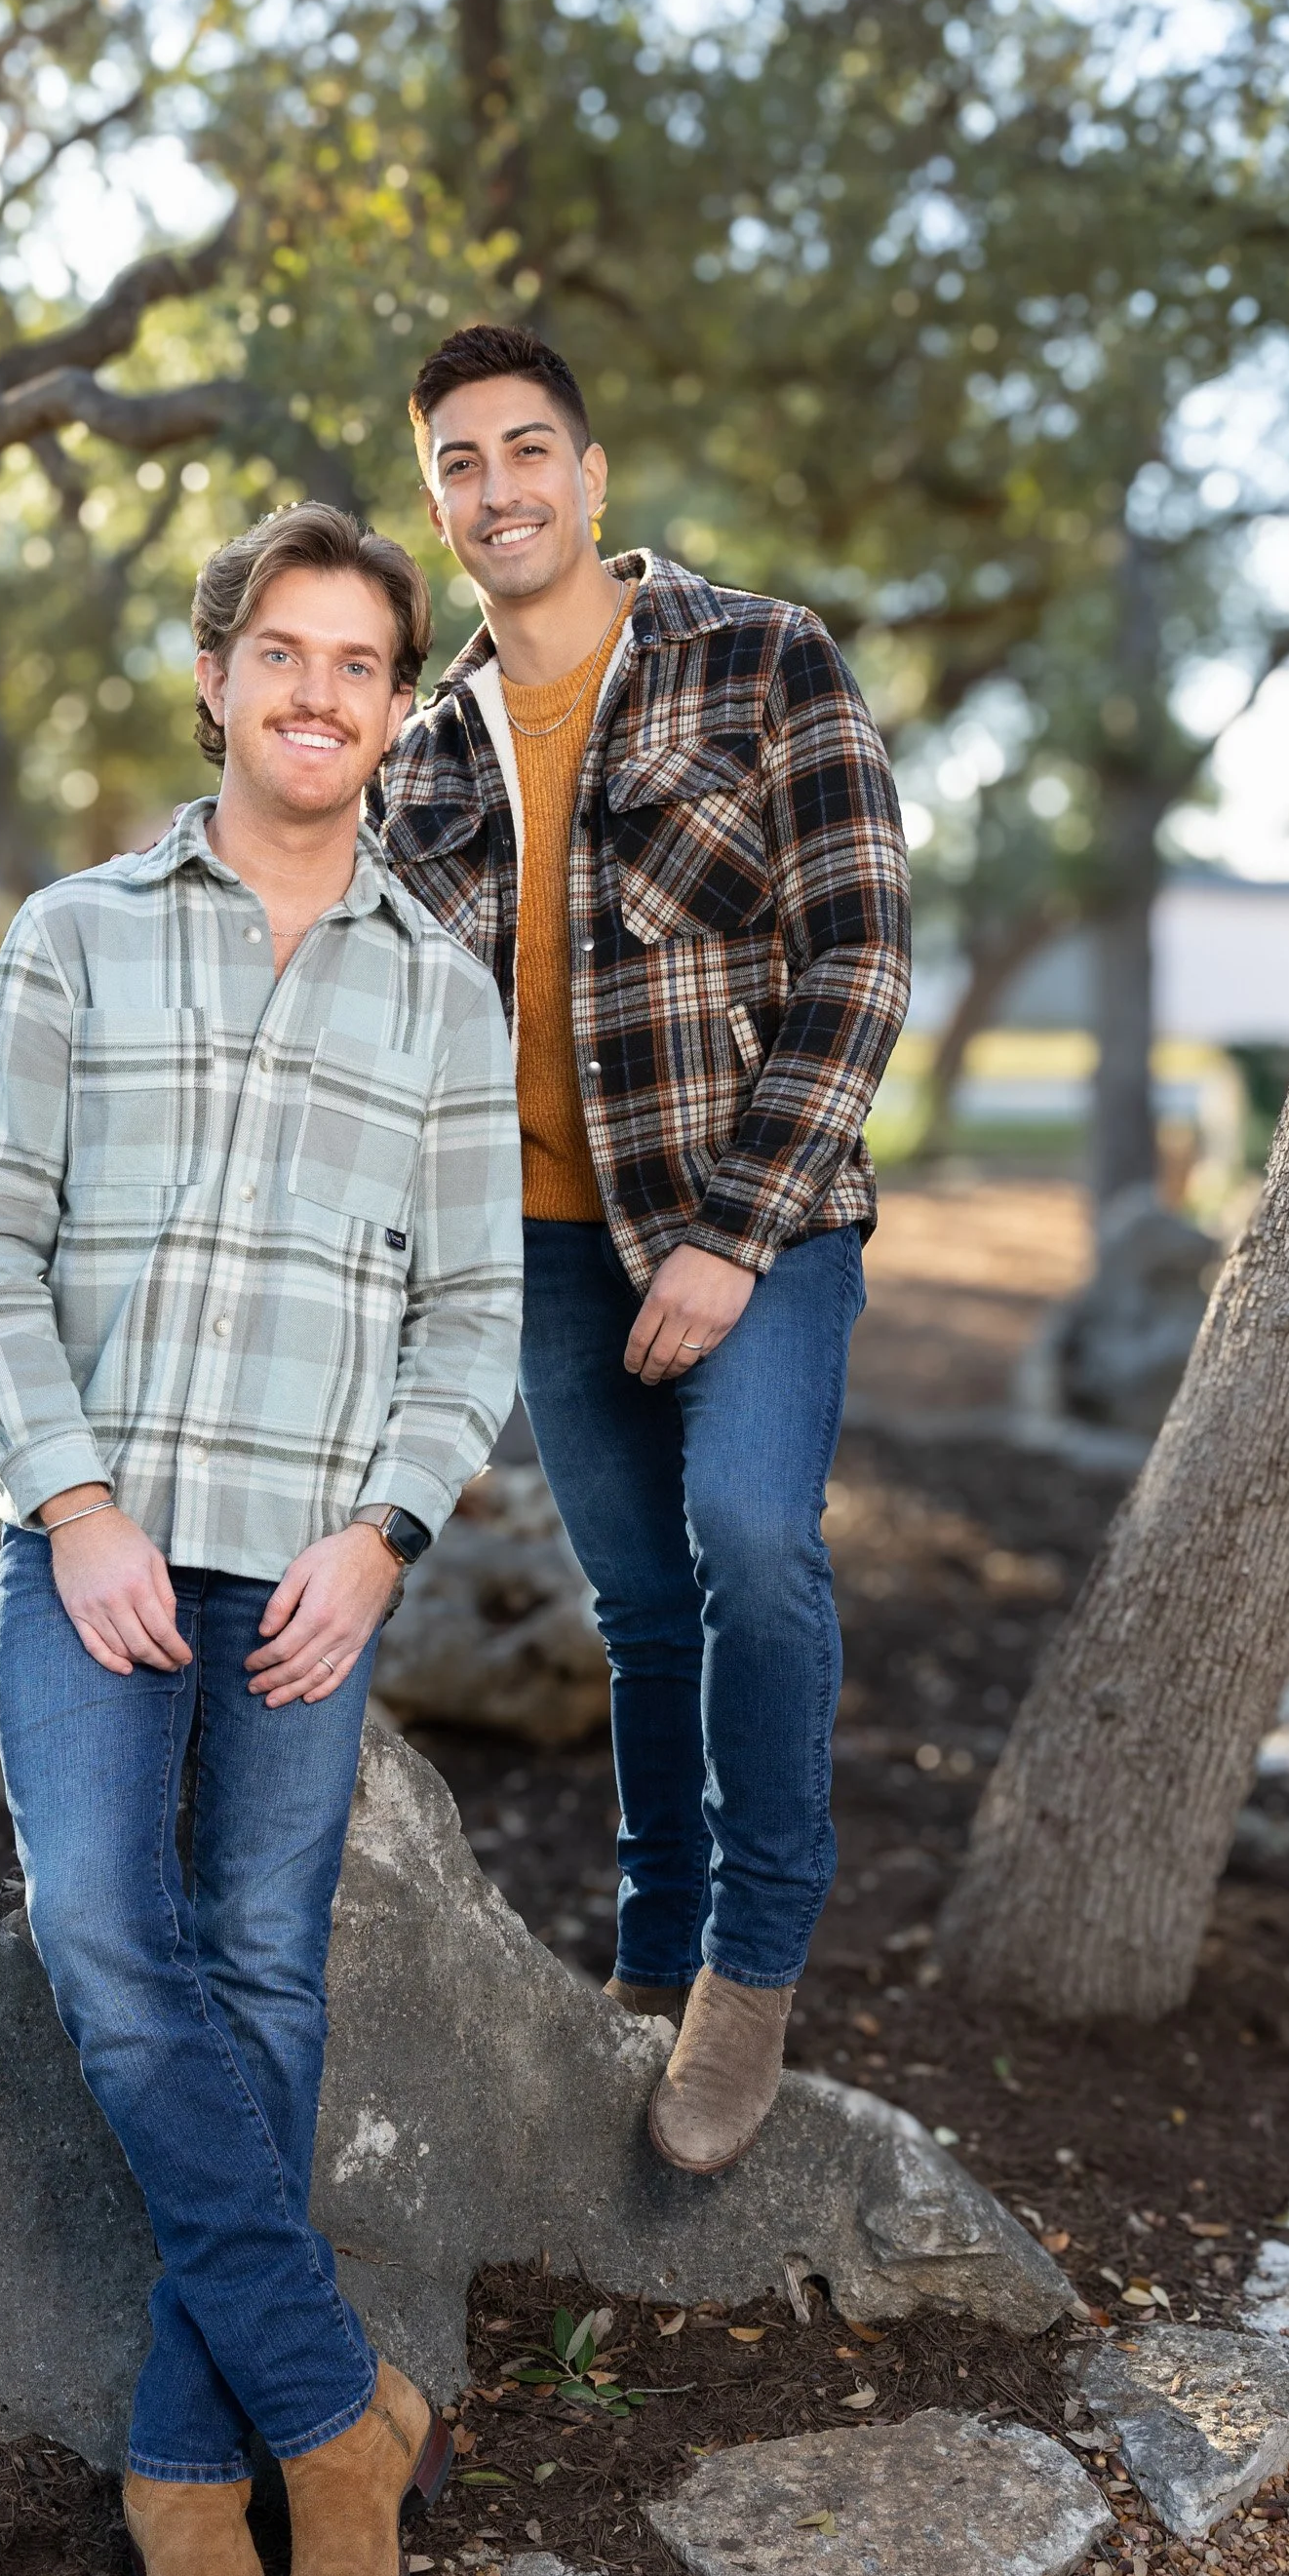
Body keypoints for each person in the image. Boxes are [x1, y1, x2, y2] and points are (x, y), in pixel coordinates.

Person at [0, 502, 522, 2576]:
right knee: (103, 1929)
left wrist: (379, 1534)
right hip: (89, 1542)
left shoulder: (435, 992)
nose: (317, 695)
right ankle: (332, 2399)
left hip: (307, 1566)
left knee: (265, 1961)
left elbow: (471, 1311)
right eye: (282, 653)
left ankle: (191, 2479)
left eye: (361, 665)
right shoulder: (77, 935)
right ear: (214, 678)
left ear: (394, 707)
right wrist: (72, 1503)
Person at [375, 324, 911, 2179]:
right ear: (436, 499)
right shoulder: (419, 749)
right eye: (460, 460)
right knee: (641, 1615)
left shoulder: (762, 659)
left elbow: (860, 960)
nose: (500, 486)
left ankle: (750, 1971)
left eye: (531, 448)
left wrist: (734, 1236)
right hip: (536, 1247)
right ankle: (656, 1953)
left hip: (756, 1222)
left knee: (753, 1548)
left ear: (593, 476)